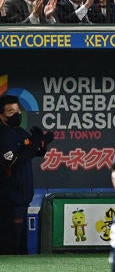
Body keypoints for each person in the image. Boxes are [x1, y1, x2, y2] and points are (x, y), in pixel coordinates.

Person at [0, 95, 52, 255]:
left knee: (21, 250)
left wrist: (42, 143)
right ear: (1, 115)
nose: (16, 115)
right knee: (9, 249)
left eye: (17, 110)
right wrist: (32, 147)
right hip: (8, 199)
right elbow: (11, 161)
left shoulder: (20, 132)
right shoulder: (3, 135)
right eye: (10, 112)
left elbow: (35, 151)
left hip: (22, 197)